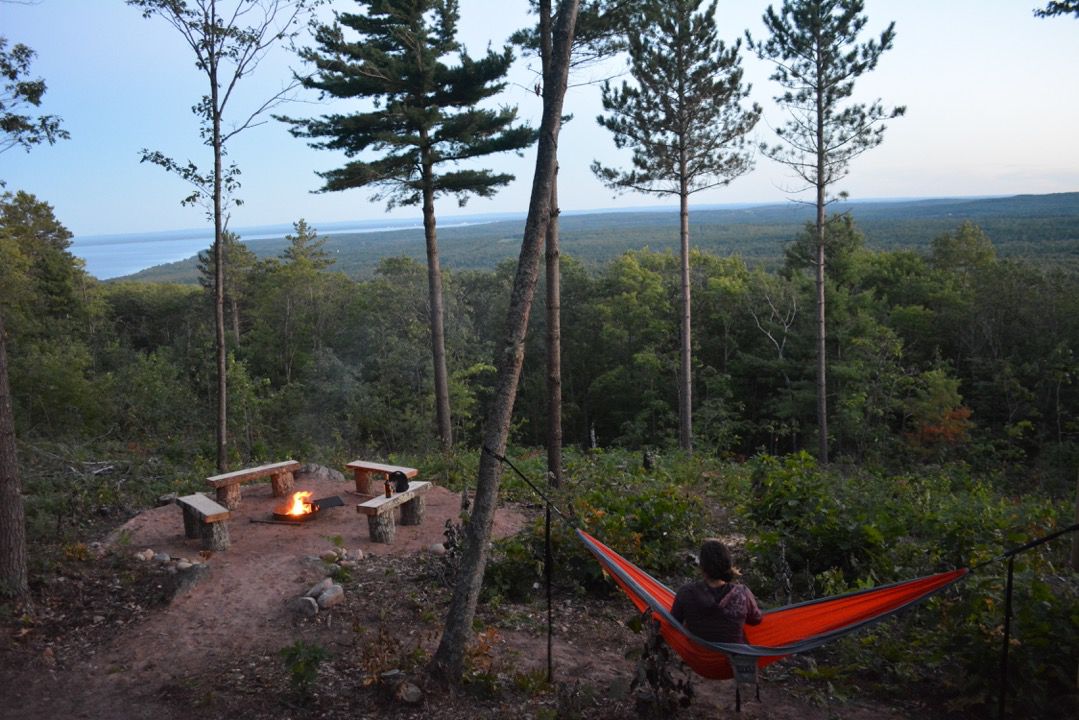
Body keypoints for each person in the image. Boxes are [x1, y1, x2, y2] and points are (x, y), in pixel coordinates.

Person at [671, 538, 762, 644]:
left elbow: (674, 622)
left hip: (697, 655)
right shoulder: (742, 594)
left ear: (702, 567)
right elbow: (756, 620)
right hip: (733, 656)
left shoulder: (686, 593)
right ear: (728, 565)